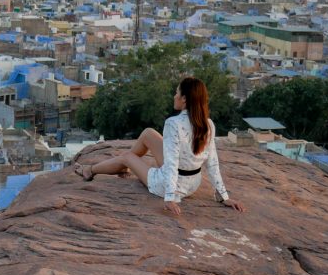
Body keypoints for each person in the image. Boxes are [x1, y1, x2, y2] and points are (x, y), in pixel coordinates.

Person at [74, 76, 246, 215]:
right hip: (193, 183)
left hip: (169, 184)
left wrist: (170, 198)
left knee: (127, 157)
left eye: (176, 92)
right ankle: (124, 167)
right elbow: (212, 162)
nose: (174, 96)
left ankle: (92, 170)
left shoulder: (174, 123)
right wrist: (224, 196)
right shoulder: (208, 123)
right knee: (149, 133)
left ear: (184, 99)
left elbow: (171, 163)